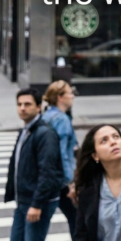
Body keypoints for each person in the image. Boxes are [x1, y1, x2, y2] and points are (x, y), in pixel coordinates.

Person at [4, 88, 64, 241]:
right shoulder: (26, 131)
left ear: (38, 107)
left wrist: (37, 204)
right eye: (19, 104)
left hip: (38, 202)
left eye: (27, 104)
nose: (22, 108)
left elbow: (48, 172)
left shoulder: (45, 134)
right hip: (23, 201)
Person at [41, 81, 79, 237]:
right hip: (62, 180)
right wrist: (70, 182)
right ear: (60, 97)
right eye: (70, 93)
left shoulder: (46, 116)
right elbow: (62, 153)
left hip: (48, 176)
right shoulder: (61, 120)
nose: (73, 97)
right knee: (77, 219)